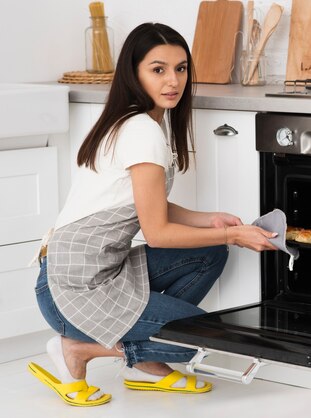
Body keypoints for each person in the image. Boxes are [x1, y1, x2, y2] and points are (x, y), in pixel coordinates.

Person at [28, 22, 277, 407]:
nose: (172, 80)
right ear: (134, 71)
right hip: (71, 290)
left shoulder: (136, 120)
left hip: (90, 272)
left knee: (208, 252)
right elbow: (158, 232)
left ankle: (140, 364)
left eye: (180, 68)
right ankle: (78, 349)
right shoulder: (141, 130)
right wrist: (233, 234)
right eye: (158, 69)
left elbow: (146, 203)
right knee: (199, 341)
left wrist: (209, 220)